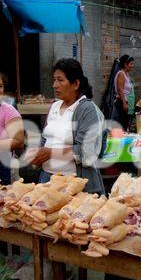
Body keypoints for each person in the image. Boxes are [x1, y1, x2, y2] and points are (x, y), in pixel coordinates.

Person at [27, 58, 106, 195]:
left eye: (60, 80)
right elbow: (46, 137)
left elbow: (86, 151)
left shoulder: (87, 109)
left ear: (75, 84)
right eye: (54, 80)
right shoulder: (54, 106)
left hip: (73, 183)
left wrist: (50, 152)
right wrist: (37, 152)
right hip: (47, 178)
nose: (54, 85)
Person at [113, 55, 135, 130]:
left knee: (125, 123)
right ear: (125, 64)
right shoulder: (121, 74)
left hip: (125, 100)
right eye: (131, 64)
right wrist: (124, 103)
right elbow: (120, 90)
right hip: (121, 101)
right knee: (122, 124)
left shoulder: (127, 74)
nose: (132, 66)